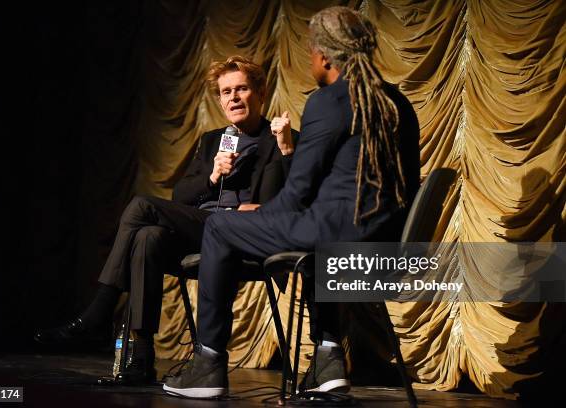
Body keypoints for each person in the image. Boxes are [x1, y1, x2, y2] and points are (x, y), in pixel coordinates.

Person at [163, 6, 421, 399]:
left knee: (219, 225)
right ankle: (329, 358)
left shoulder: (329, 101)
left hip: (334, 232)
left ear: (323, 55)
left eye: (311, 51)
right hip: (384, 238)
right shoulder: (397, 103)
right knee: (314, 241)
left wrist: (258, 215)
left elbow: (298, 191)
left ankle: (209, 364)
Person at [34, 55, 298, 384]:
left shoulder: (281, 140)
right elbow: (181, 197)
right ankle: (142, 358)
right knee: (149, 238)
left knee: (142, 205)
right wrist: (213, 176)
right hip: (207, 230)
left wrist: (287, 150)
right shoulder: (214, 141)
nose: (232, 97)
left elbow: (293, 202)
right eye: (225, 92)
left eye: (241, 88)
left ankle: (100, 311)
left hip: (247, 237)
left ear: (260, 92)